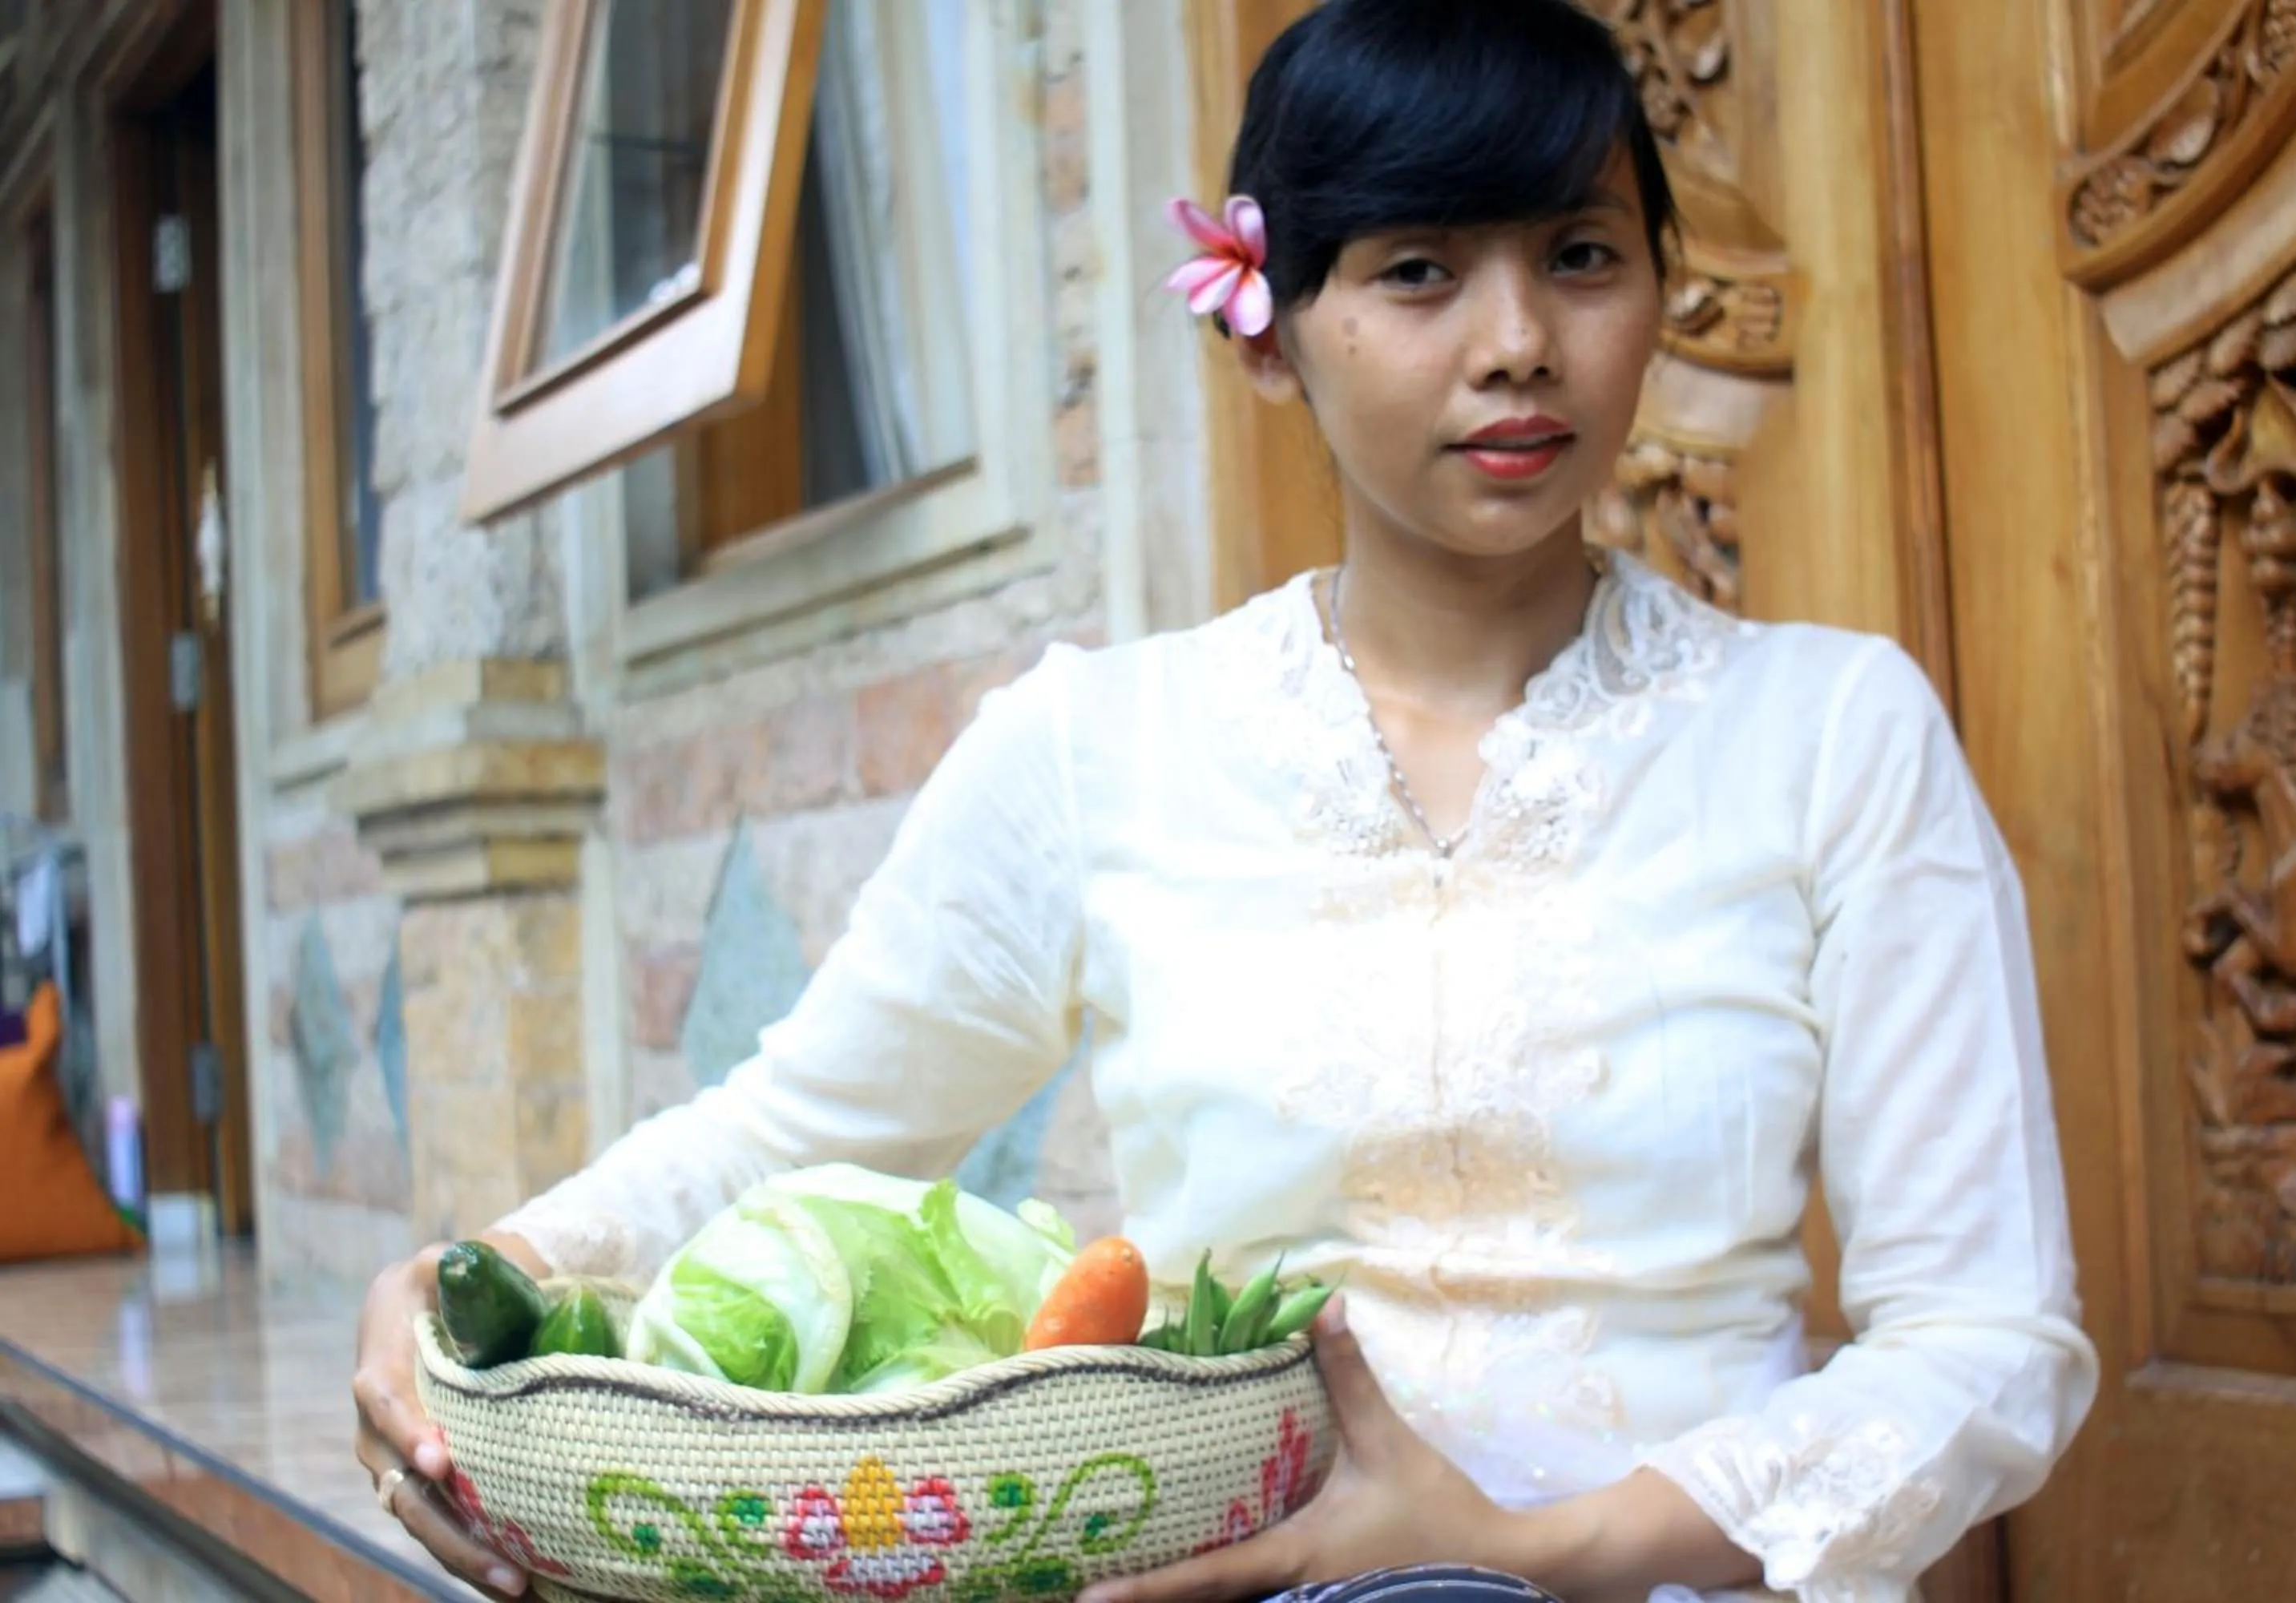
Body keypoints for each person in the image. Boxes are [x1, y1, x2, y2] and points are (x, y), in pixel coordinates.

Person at [353, 2, 2098, 1599]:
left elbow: (1986, 1335)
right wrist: (473, 1276)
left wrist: (1531, 1548)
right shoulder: (1097, 749)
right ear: (1266, 331)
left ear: (1656, 287)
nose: (1517, 344)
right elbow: (795, 1132)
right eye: (1419, 272)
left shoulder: (1835, 735)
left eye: (1579, 256)